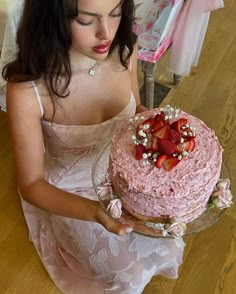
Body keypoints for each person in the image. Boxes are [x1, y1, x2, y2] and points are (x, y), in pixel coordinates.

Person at [2, 0, 185, 293]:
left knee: (170, 238)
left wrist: (156, 126)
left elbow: (135, 109)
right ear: (53, 19)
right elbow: (32, 184)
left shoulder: (125, 50)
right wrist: (95, 212)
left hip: (125, 175)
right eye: (87, 21)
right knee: (131, 273)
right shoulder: (28, 90)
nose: (106, 33)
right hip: (71, 192)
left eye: (114, 14)